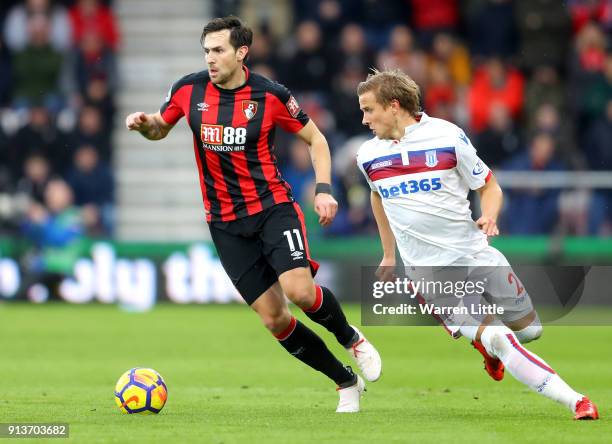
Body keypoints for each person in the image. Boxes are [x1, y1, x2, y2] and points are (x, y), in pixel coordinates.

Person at [125, 16, 381, 413]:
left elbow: (316, 139)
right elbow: (161, 127)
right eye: (206, 50)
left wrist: (325, 189)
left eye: (219, 50)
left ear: (242, 52)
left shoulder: (270, 95)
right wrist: (145, 125)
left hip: (271, 209)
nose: (210, 58)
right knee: (276, 320)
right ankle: (344, 381)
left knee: (299, 291)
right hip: (224, 223)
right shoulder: (188, 90)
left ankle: (351, 338)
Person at [355, 68, 599, 420]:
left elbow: (489, 185)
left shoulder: (447, 135)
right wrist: (390, 253)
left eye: (368, 109)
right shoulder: (368, 155)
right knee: (500, 338)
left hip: (476, 254)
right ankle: (576, 400)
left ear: (394, 106)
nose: (364, 119)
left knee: (530, 330)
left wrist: (490, 215)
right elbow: (378, 197)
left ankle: (487, 347)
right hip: (432, 276)